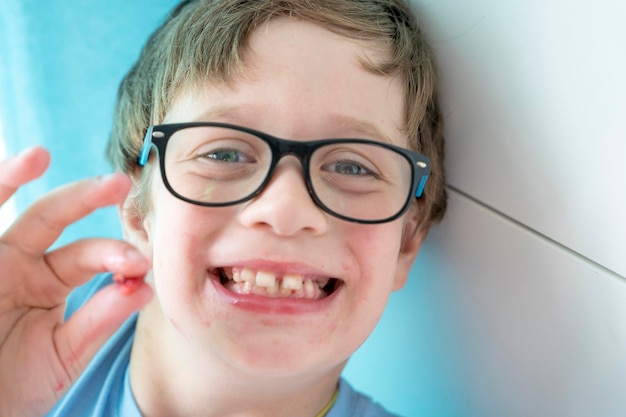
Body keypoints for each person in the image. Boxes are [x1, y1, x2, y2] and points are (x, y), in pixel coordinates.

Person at [0, 0, 446, 416]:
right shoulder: (22, 348)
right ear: (138, 211)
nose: (286, 208)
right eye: (224, 155)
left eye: (352, 166)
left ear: (406, 243)